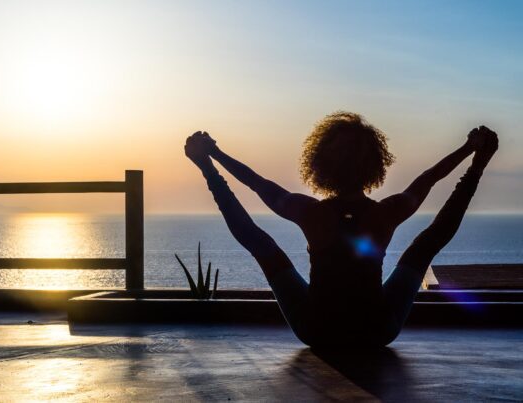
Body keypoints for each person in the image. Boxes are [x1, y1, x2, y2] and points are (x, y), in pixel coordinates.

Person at [184, 111, 498, 348]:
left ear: (319, 163)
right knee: (425, 246)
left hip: (317, 331)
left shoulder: (311, 212)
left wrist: (212, 159)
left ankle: (209, 173)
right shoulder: (385, 213)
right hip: (377, 331)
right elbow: (428, 179)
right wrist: (473, 155)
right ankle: (476, 171)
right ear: (375, 164)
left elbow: (256, 183)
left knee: (261, 244)